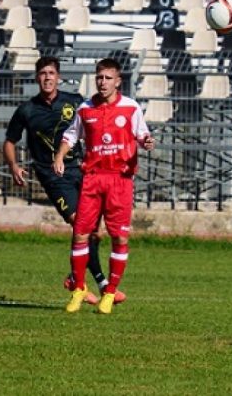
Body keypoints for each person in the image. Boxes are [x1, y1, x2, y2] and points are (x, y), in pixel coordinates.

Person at [4, 56, 121, 304]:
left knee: (95, 233)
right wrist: (13, 165)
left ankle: (73, 277)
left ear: (58, 77)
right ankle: (100, 283)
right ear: (37, 77)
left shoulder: (74, 102)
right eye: (43, 73)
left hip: (82, 171)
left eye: (51, 73)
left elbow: (91, 125)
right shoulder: (27, 110)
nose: (47, 77)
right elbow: (9, 141)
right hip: (52, 175)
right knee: (82, 225)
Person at [53, 57, 155, 314]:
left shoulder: (131, 108)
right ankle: (78, 289)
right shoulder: (86, 109)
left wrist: (146, 141)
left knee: (119, 236)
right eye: (99, 77)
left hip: (119, 180)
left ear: (118, 82)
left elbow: (142, 134)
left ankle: (109, 293)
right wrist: (59, 155)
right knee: (80, 234)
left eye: (108, 78)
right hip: (93, 178)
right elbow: (71, 135)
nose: (103, 82)